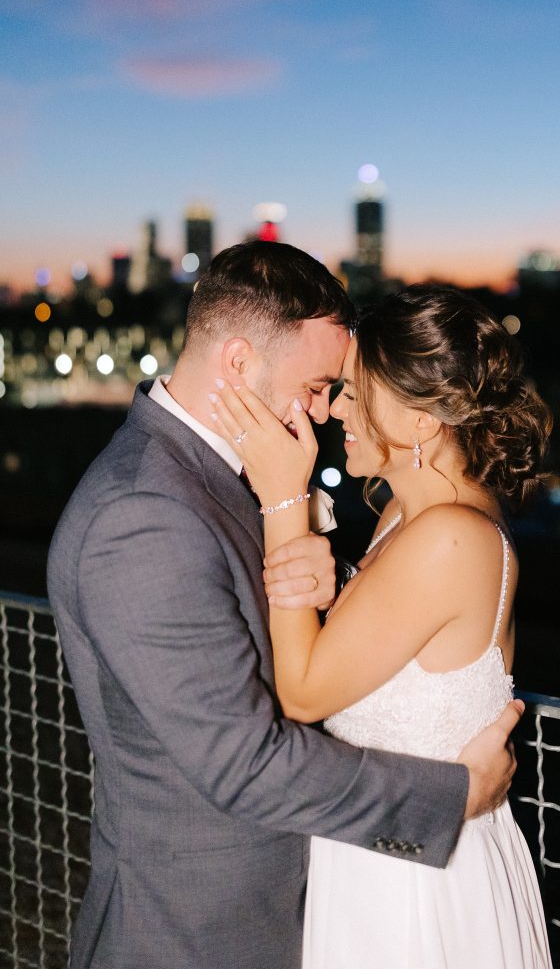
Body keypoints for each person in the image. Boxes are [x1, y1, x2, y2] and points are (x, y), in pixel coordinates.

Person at [47, 243, 522, 969]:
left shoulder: (223, 473)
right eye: (317, 384)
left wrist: (311, 557)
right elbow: (243, 761)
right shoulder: (143, 515)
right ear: (238, 363)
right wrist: (446, 797)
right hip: (196, 931)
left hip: (322, 899)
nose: (326, 411)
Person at [210, 281, 554, 968]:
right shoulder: (410, 515)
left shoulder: (448, 537)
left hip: (414, 883)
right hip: (387, 846)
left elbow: (302, 694)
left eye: (356, 392)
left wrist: (283, 499)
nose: (338, 410)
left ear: (422, 421)